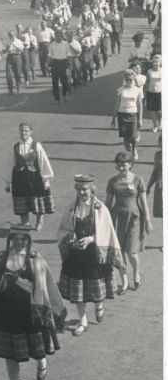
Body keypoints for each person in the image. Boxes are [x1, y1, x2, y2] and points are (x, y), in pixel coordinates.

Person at [0, 225, 66, 380]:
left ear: (28, 240)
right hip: (6, 314)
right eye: (16, 238)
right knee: (10, 355)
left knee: (36, 350)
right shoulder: (1, 258)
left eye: (23, 239)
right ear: (10, 239)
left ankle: (42, 363)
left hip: (30, 315)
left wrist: (18, 281)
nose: (19, 242)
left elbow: (42, 288)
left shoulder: (35, 259)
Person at [57, 174, 124, 336]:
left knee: (96, 288)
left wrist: (91, 239)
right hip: (76, 256)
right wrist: (69, 236)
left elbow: (107, 232)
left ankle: (99, 306)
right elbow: (62, 229)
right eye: (79, 189)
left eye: (85, 189)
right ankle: (83, 321)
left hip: (95, 256)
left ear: (92, 189)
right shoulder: (72, 207)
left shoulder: (100, 209)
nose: (82, 192)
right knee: (78, 291)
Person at [105, 152, 152, 293]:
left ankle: (136, 273)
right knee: (120, 252)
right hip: (117, 219)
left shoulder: (138, 180)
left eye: (124, 164)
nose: (121, 167)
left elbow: (144, 203)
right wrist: (103, 220)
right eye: (118, 164)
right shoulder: (112, 181)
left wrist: (148, 221)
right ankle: (124, 281)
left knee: (131, 251)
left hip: (134, 218)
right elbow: (107, 204)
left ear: (130, 164)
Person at [4, 123, 55, 232]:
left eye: (26, 131)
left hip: (34, 178)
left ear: (30, 132)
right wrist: (7, 182)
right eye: (22, 131)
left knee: (37, 199)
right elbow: (9, 164)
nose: (23, 133)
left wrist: (46, 179)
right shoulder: (15, 147)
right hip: (19, 179)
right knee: (22, 200)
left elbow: (43, 162)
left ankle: (39, 221)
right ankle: (25, 222)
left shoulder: (37, 145)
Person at [111, 69, 143, 159]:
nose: (129, 82)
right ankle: (129, 154)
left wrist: (140, 119)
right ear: (124, 79)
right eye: (127, 80)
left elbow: (140, 105)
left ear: (134, 80)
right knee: (125, 137)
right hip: (122, 115)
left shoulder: (137, 90)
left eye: (131, 80)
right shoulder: (121, 90)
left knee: (134, 137)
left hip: (133, 115)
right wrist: (113, 118)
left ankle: (134, 150)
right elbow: (117, 104)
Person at [48, 30, 70, 104]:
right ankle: (57, 99)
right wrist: (48, 66)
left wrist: (68, 66)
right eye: (56, 35)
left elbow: (68, 55)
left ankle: (65, 95)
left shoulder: (66, 44)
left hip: (63, 63)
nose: (57, 37)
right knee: (55, 82)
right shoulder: (52, 45)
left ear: (61, 35)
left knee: (64, 81)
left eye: (59, 35)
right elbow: (50, 56)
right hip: (55, 63)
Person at [147, 134, 163, 224]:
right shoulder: (157, 155)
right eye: (161, 142)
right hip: (160, 186)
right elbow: (155, 172)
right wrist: (149, 186)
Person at [4, 31, 24, 95]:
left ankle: (18, 86)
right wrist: (7, 48)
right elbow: (4, 51)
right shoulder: (8, 42)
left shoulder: (19, 41)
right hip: (9, 58)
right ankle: (10, 89)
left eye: (12, 35)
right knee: (8, 74)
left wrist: (14, 45)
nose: (11, 36)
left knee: (17, 73)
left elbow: (21, 50)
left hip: (17, 56)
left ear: (15, 35)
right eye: (10, 35)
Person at [145, 54, 162, 132]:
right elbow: (147, 82)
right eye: (154, 62)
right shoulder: (149, 71)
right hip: (151, 93)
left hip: (160, 93)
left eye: (157, 62)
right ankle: (155, 126)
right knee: (152, 111)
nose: (155, 63)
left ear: (160, 63)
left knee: (160, 110)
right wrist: (145, 94)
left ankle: (160, 124)